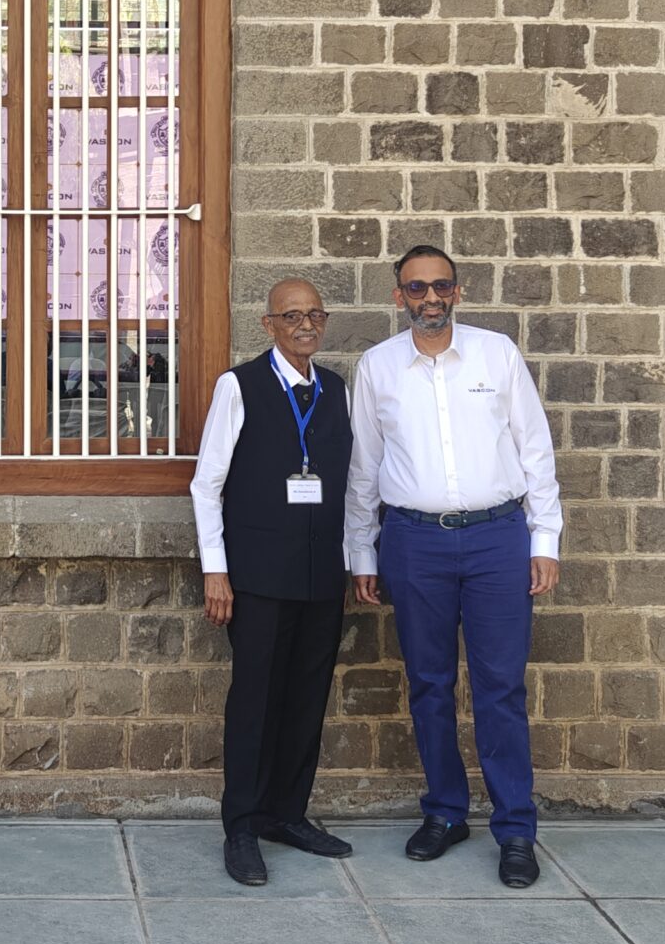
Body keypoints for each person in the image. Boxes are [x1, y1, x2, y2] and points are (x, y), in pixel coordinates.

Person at [345, 245, 562, 888]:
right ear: (399, 297)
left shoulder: (497, 354)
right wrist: (362, 550)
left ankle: (515, 828)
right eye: (417, 288)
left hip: (498, 539)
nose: (430, 297)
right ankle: (444, 811)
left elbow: (535, 448)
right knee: (429, 683)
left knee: (501, 688)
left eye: (441, 286)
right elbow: (363, 468)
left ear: (458, 292)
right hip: (414, 542)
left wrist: (545, 540)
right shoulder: (378, 366)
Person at [188, 278, 359, 887]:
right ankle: (241, 825)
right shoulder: (239, 386)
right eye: (292, 316)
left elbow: (355, 484)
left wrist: (358, 558)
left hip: (321, 575)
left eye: (314, 314)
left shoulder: (336, 390)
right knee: (255, 701)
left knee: (307, 699)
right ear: (269, 324)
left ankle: (287, 814)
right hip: (258, 575)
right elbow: (207, 484)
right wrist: (216, 570)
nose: (305, 325)